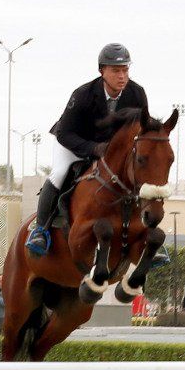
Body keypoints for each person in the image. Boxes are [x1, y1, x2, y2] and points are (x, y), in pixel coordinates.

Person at [25, 43, 152, 256]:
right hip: (74, 143)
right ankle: (41, 230)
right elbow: (65, 134)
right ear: (102, 71)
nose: (122, 76)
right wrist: (94, 149)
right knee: (59, 174)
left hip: (109, 150)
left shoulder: (137, 93)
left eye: (125, 70)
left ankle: (148, 235)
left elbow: (141, 128)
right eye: (115, 70)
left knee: (138, 178)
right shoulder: (83, 94)